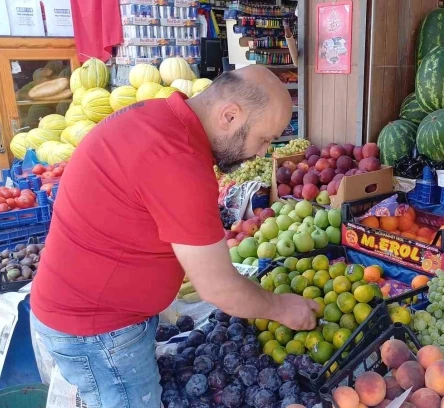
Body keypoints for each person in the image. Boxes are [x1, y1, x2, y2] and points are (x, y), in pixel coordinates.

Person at [29, 65, 320, 408]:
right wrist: (282, 308)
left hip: (91, 313)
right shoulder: (178, 160)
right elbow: (219, 289)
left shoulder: (158, 115)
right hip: (98, 331)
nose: (261, 153)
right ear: (230, 115)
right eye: (264, 139)